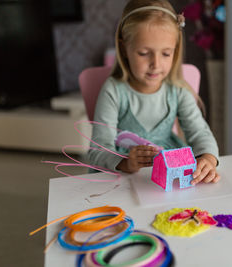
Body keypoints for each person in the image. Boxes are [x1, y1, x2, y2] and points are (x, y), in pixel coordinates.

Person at [88, 0, 220, 185]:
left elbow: (201, 135)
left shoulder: (177, 90)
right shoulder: (114, 90)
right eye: (143, 53)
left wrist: (208, 159)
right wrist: (125, 163)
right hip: (122, 179)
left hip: (169, 178)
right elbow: (97, 152)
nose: (156, 64)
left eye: (166, 54)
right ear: (125, 48)